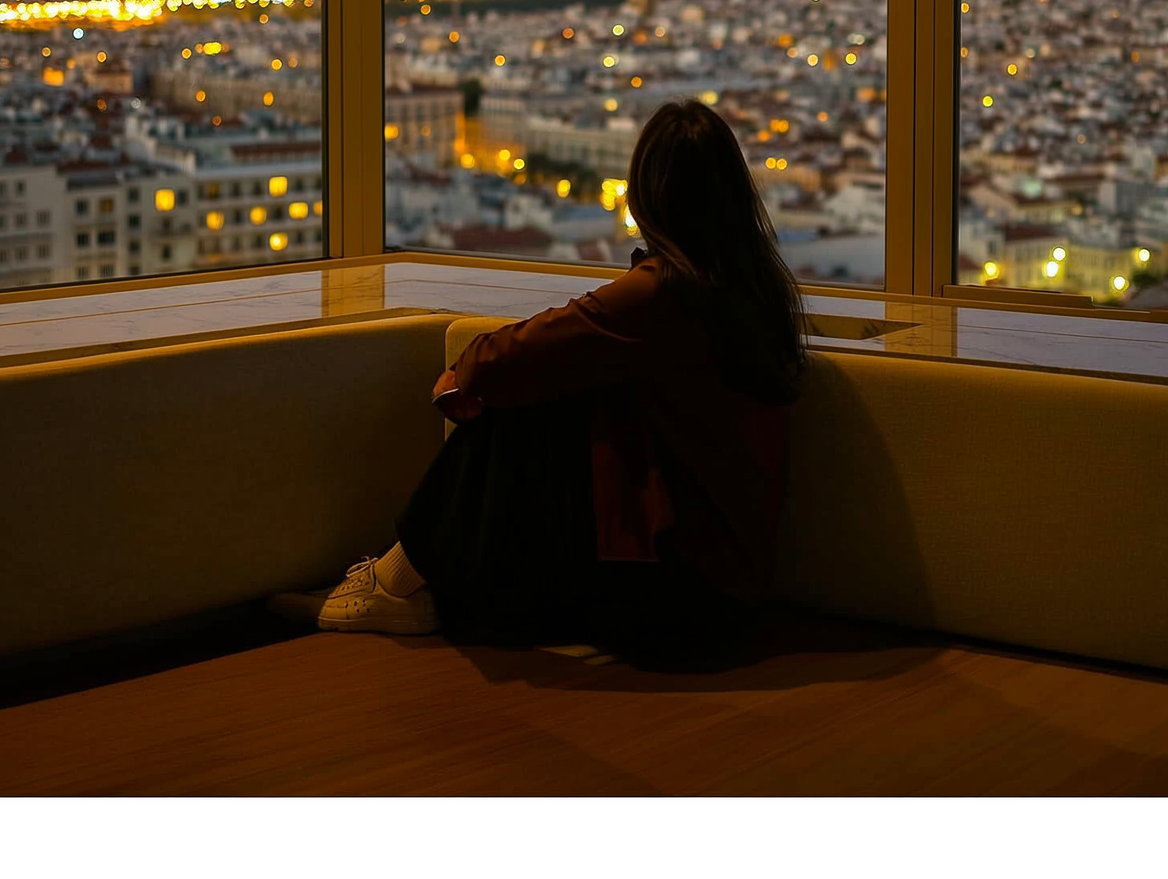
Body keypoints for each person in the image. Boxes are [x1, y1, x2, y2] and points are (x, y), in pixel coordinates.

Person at [279, 98, 806, 667]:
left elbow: (510, 356)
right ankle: (404, 583)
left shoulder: (666, 293)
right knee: (547, 393)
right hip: (724, 596)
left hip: (675, 606)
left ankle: (396, 584)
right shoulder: (759, 288)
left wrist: (462, 375)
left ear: (648, 193)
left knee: (516, 406)